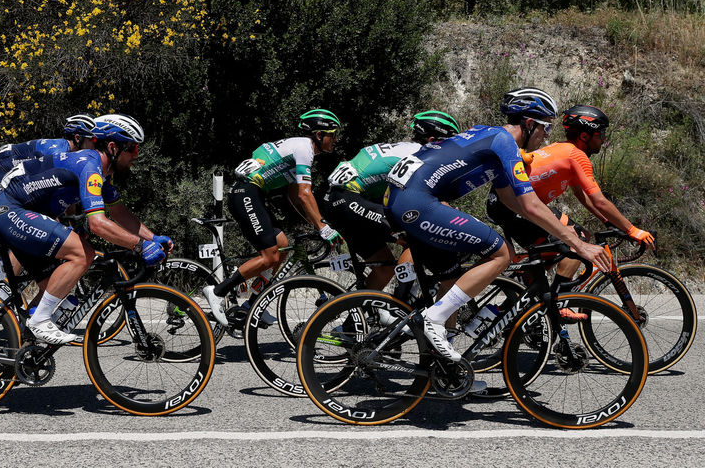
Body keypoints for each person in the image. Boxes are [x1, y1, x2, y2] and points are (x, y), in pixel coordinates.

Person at [383, 88, 610, 361]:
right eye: (545, 128)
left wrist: (556, 233)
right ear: (529, 124)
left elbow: (510, 199)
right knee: (502, 253)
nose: (547, 136)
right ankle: (432, 318)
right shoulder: (504, 142)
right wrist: (578, 243)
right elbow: (531, 205)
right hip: (416, 202)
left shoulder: (490, 136)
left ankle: (446, 369)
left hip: (400, 198)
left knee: (452, 281)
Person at [0, 113, 173, 344]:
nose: (137, 155)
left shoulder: (101, 173)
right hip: (10, 210)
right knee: (83, 253)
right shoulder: (89, 165)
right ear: (113, 147)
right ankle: (39, 321)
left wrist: (153, 237)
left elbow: (118, 213)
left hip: (21, 212)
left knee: (55, 287)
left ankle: (25, 345)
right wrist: (140, 245)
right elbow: (97, 223)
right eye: (133, 149)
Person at [486, 104, 655, 318]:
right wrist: (632, 230)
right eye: (600, 134)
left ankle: (527, 289)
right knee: (578, 238)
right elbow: (599, 200)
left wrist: (608, 222)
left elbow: (582, 195)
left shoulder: (564, 150)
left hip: (508, 204)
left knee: (564, 241)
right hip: (510, 206)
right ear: (585, 136)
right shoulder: (576, 156)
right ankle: (560, 301)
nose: (603, 139)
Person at [203, 108, 345, 326]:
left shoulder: (299, 148)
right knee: (269, 255)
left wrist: (317, 224)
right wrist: (323, 228)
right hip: (246, 192)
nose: (335, 140)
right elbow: (304, 193)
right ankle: (218, 291)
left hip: (253, 193)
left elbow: (294, 196)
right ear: (319, 135)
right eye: (332, 135)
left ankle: (253, 303)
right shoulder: (304, 149)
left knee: (282, 246)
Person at [323, 110, 461, 291]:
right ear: (432, 140)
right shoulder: (418, 157)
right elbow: (424, 199)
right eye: (448, 142)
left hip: (339, 200)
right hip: (346, 199)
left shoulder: (407, 148)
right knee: (415, 235)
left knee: (385, 269)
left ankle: (360, 311)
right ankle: (400, 301)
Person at [0, 114, 96, 200]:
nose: (96, 145)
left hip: (9, 171)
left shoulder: (68, 152)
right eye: (93, 140)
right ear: (77, 138)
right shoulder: (58, 152)